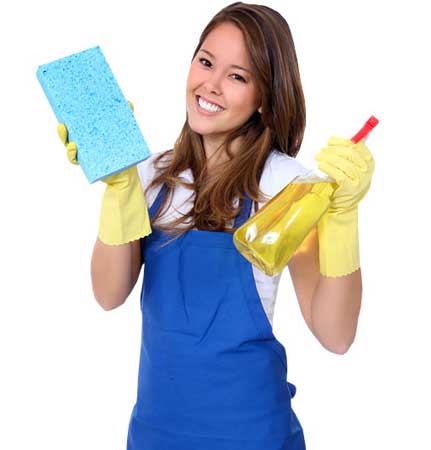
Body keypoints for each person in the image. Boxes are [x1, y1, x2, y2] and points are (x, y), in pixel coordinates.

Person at [56, 2, 375, 449]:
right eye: (206, 62)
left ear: (264, 97)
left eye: (237, 76)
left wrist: (341, 218)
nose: (211, 84)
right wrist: (119, 189)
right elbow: (108, 295)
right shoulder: (150, 176)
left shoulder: (286, 187)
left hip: (252, 435)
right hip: (156, 434)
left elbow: (335, 335)